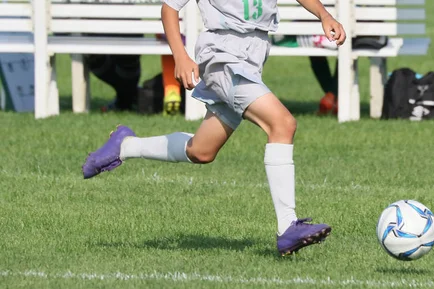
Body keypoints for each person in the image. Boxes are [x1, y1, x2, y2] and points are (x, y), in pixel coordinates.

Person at [81, 0, 347, 256]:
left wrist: (324, 15)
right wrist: (180, 57)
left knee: (202, 151)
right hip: (222, 55)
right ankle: (288, 226)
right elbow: (169, 8)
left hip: (253, 55)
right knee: (282, 124)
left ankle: (125, 145)